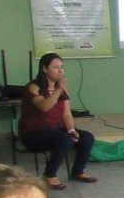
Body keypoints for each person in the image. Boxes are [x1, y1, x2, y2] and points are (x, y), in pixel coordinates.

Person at [19, 53, 97, 190]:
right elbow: (44, 106)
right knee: (64, 139)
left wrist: (71, 130)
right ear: (44, 69)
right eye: (55, 67)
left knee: (86, 137)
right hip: (33, 133)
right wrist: (59, 89)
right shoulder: (33, 87)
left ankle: (77, 171)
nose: (60, 70)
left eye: (62, 67)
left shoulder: (62, 90)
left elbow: (66, 114)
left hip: (54, 130)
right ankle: (49, 175)